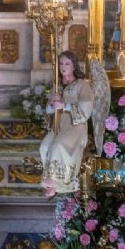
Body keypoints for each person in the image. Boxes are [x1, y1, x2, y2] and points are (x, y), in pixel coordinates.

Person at [39, 51, 94, 197]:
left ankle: (55, 181)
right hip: (59, 124)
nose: (63, 67)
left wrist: (64, 105)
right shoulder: (57, 86)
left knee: (58, 145)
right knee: (44, 147)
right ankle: (53, 182)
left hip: (75, 125)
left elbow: (86, 109)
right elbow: (49, 109)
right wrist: (52, 105)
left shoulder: (82, 85)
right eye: (61, 64)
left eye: (67, 64)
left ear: (74, 66)